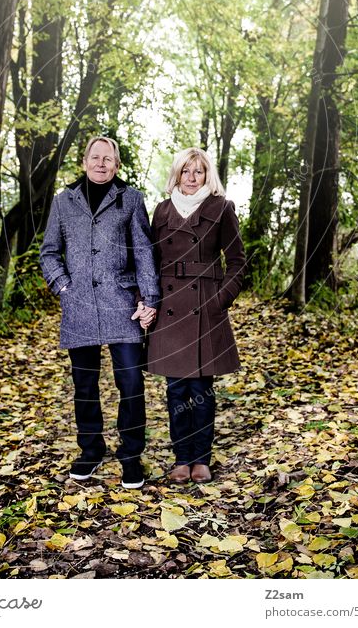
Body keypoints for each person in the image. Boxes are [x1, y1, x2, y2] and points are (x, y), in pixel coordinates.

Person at [40, 136, 159, 489]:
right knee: (84, 386)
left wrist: (149, 298)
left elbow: (144, 253)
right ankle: (90, 451)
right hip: (78, 309)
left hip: (122, 306)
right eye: (96, 157)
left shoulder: (131, 199)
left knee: (131, 384)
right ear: (84, 160)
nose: (101, 163)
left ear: (117, 165)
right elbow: (49, 252)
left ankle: (131, 456)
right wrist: (63, 286)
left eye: (108, 158)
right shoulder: (63, 202)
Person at [146, 147, 246, 484]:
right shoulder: (160, 211)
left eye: (198, 171)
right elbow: (150, 262)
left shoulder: (221, 208)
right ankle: (181, 457)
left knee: (202, 387)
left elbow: (237, 262)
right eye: (186, 171)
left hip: (205, 306)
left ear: (207, 175)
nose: (192, 177)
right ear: (177, 174)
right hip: (171, 307)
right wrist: (146, 300)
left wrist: (220, 300)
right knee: (176, 389)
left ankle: (201, 457)